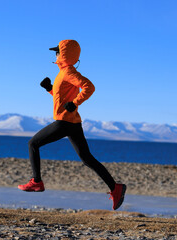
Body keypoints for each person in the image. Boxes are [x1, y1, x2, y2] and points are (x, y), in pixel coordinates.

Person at [18, 39, 126, 210]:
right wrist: (50, 89)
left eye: (57, 51)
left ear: (64, 54)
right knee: (87, 158)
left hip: (64, 121)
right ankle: (115, 188)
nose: (55, 55)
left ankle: (36, 182)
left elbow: (89, 87)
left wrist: (76, 103)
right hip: (73, 122)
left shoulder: (68, 72)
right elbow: (63, 98)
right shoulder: (63, 73)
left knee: (33, 143)